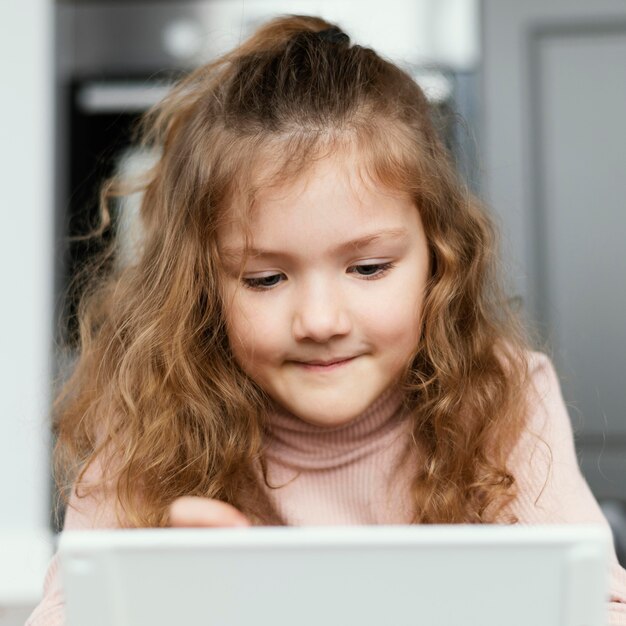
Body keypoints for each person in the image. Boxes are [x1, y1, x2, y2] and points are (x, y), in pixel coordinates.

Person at [27, 14, 626, 625]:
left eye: (368, 269)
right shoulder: (144, 412)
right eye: (265, 279)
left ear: (439, 262)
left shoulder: (505, 398)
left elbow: (598, 605)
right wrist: (162, 603)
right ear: (204, 288)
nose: (319, 321)